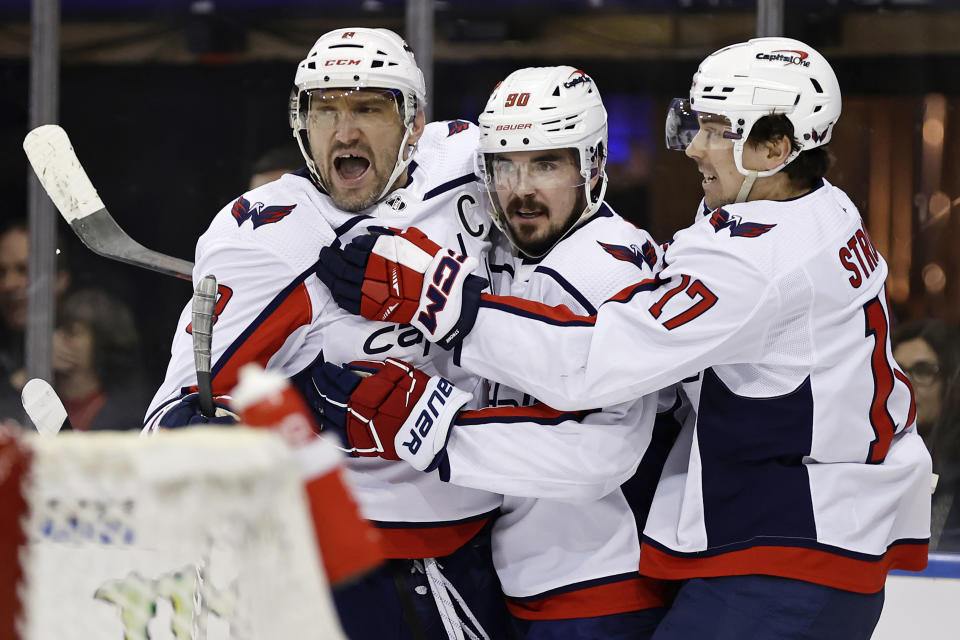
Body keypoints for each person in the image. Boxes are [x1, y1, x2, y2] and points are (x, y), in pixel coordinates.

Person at [316, 37, 932, 640]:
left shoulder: (745, 261)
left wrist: (434, 342)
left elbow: (594, 370)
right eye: (504, 163)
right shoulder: (816, 209)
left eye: (720, 130)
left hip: (781, 553)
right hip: (790, 542)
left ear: (776, 146)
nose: (694, 147)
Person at [144, 27, 505, 640]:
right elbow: (174, 411)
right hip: (357, 562)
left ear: (414, 123)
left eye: (368, 107)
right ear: (301, 123)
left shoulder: (467, 160)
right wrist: (207, 428)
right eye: (325, 109)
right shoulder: (267, 239)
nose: (344, 131)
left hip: (491, 534)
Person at [311, 66, 677, 639]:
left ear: (595, 165)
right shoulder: (503, 251)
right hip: (519, 580)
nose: (521, 188)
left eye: (548, 165)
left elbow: (601, 451)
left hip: (607, 586)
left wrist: (425, 425)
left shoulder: (610, 265)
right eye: (505, 165)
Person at [893, 318, 960, 550]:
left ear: (951, 381)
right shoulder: (866, 456)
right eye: (898, 371)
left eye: (923, 370)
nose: (907, 384)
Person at [0, 219, 72, 425]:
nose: (9, 284)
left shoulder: (92, 333)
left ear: (59, 279)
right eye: (1, 272)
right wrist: (32, 372)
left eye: (24, 270)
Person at [51, 288, 149, 431]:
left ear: (100, 343)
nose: (56, 339)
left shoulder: (123, 416)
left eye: (71, 332)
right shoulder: (39, 396)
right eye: (57, 329)